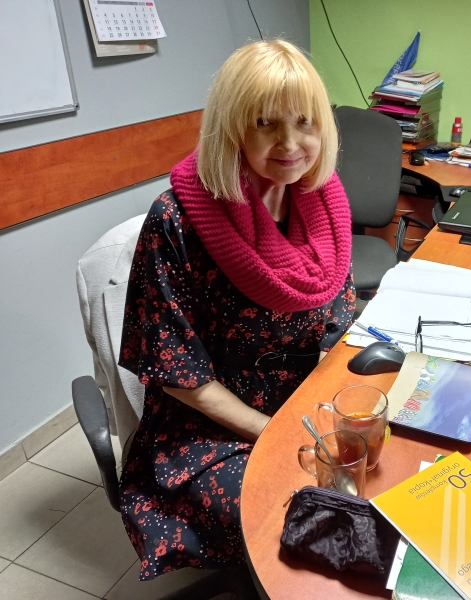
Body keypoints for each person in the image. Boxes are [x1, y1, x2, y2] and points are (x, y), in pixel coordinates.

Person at [117, 39, 356, 580]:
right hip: (210, 425)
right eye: (266, 123)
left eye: (304, 121)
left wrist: (330, 410)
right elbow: (180, 378)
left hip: (299, 403)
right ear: (232, 129)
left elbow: (337, 320)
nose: (290, 143)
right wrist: (278, 433)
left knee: (375, 481)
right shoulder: (176, 221)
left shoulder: (323, 201)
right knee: (300, 520)